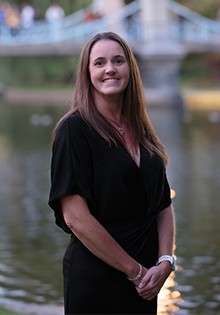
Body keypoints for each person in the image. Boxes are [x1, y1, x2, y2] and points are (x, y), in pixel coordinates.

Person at [48, 31, 176, 315]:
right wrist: (136, 271)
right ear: (87, 72)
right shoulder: (74, 130)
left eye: (118, 61)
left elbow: (163, 203)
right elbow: (75, 217)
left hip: (146, 284)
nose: (110, 69)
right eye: (100, 63)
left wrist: (165, 261)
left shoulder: (142, 129)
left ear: (130, 68)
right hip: (98, 279)